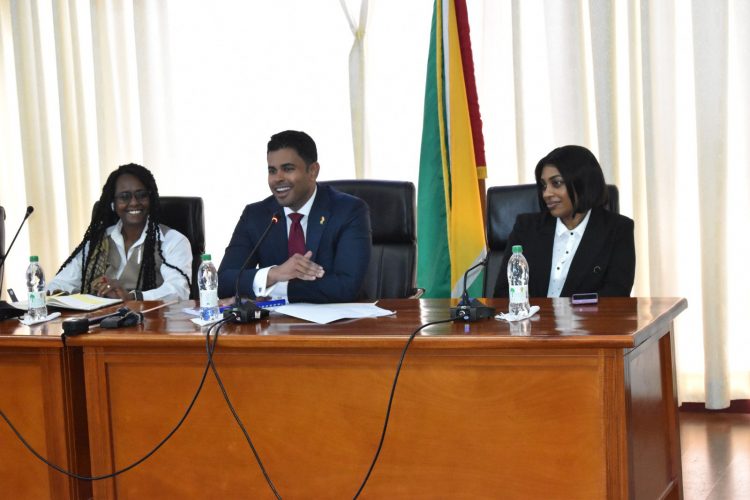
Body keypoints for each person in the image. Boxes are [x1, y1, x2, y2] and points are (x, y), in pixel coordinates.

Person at [218, 130, 372, 303]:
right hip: (273, 326)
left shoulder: (348, 211)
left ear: (313, 171)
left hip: (339, 325)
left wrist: (275, 288)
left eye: (288, 169)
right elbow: (223, 281)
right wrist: (275, 273)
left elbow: (347, 287)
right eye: (272, 171)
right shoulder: (256, 216)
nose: (278, 178)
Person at [493, 145, 635, 298]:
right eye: (544, 185)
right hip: (530, 320)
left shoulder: (618, 230)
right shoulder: (526, 227)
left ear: (583, 183)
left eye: (557, 183)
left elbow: (616, 297)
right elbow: (503, 293)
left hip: (588, 321)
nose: (546, 193)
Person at [49, 163, 192, 301]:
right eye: (125, 196)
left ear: (151, 199)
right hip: (99, 323)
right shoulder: (98, 243)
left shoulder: (172, 241)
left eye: (141, 195)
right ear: (113, 204)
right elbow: (61, 283)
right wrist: (46, 297)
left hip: (152, 323)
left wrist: (133, 297)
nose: (134, 202)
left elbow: (178, 291)